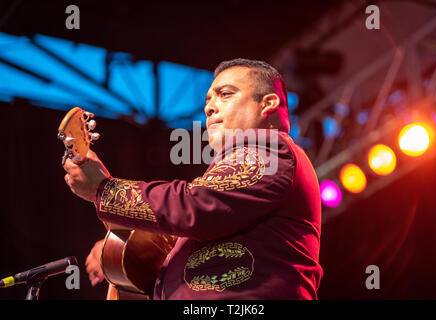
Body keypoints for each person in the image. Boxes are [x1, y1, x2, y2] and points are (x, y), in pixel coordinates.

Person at [63, 58, 323, 299]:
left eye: (226, 94)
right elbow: (189, 222)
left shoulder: (271, 150)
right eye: (208, 99)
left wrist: (105, 190)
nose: (209, 107)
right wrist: (120, 243)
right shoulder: (240, 172)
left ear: (268, 103)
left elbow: (195, 205)